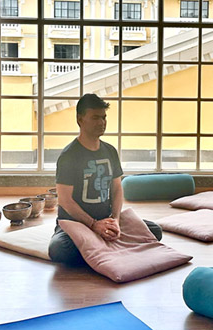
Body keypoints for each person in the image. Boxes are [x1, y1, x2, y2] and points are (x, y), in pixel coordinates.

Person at [48, 93, 162, 266]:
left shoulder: (110, 151)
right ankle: (103, 244)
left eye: (104, 117)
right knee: (59, 249)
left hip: (106, 219)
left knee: (155, 231)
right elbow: (65, 201)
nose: (101, 122)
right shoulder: (69, 156)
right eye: (95, 118)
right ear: (80, 120)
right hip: (77, 224)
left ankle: (97, 245)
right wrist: (94, 225)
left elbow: (117, 189)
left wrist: (115, 220)